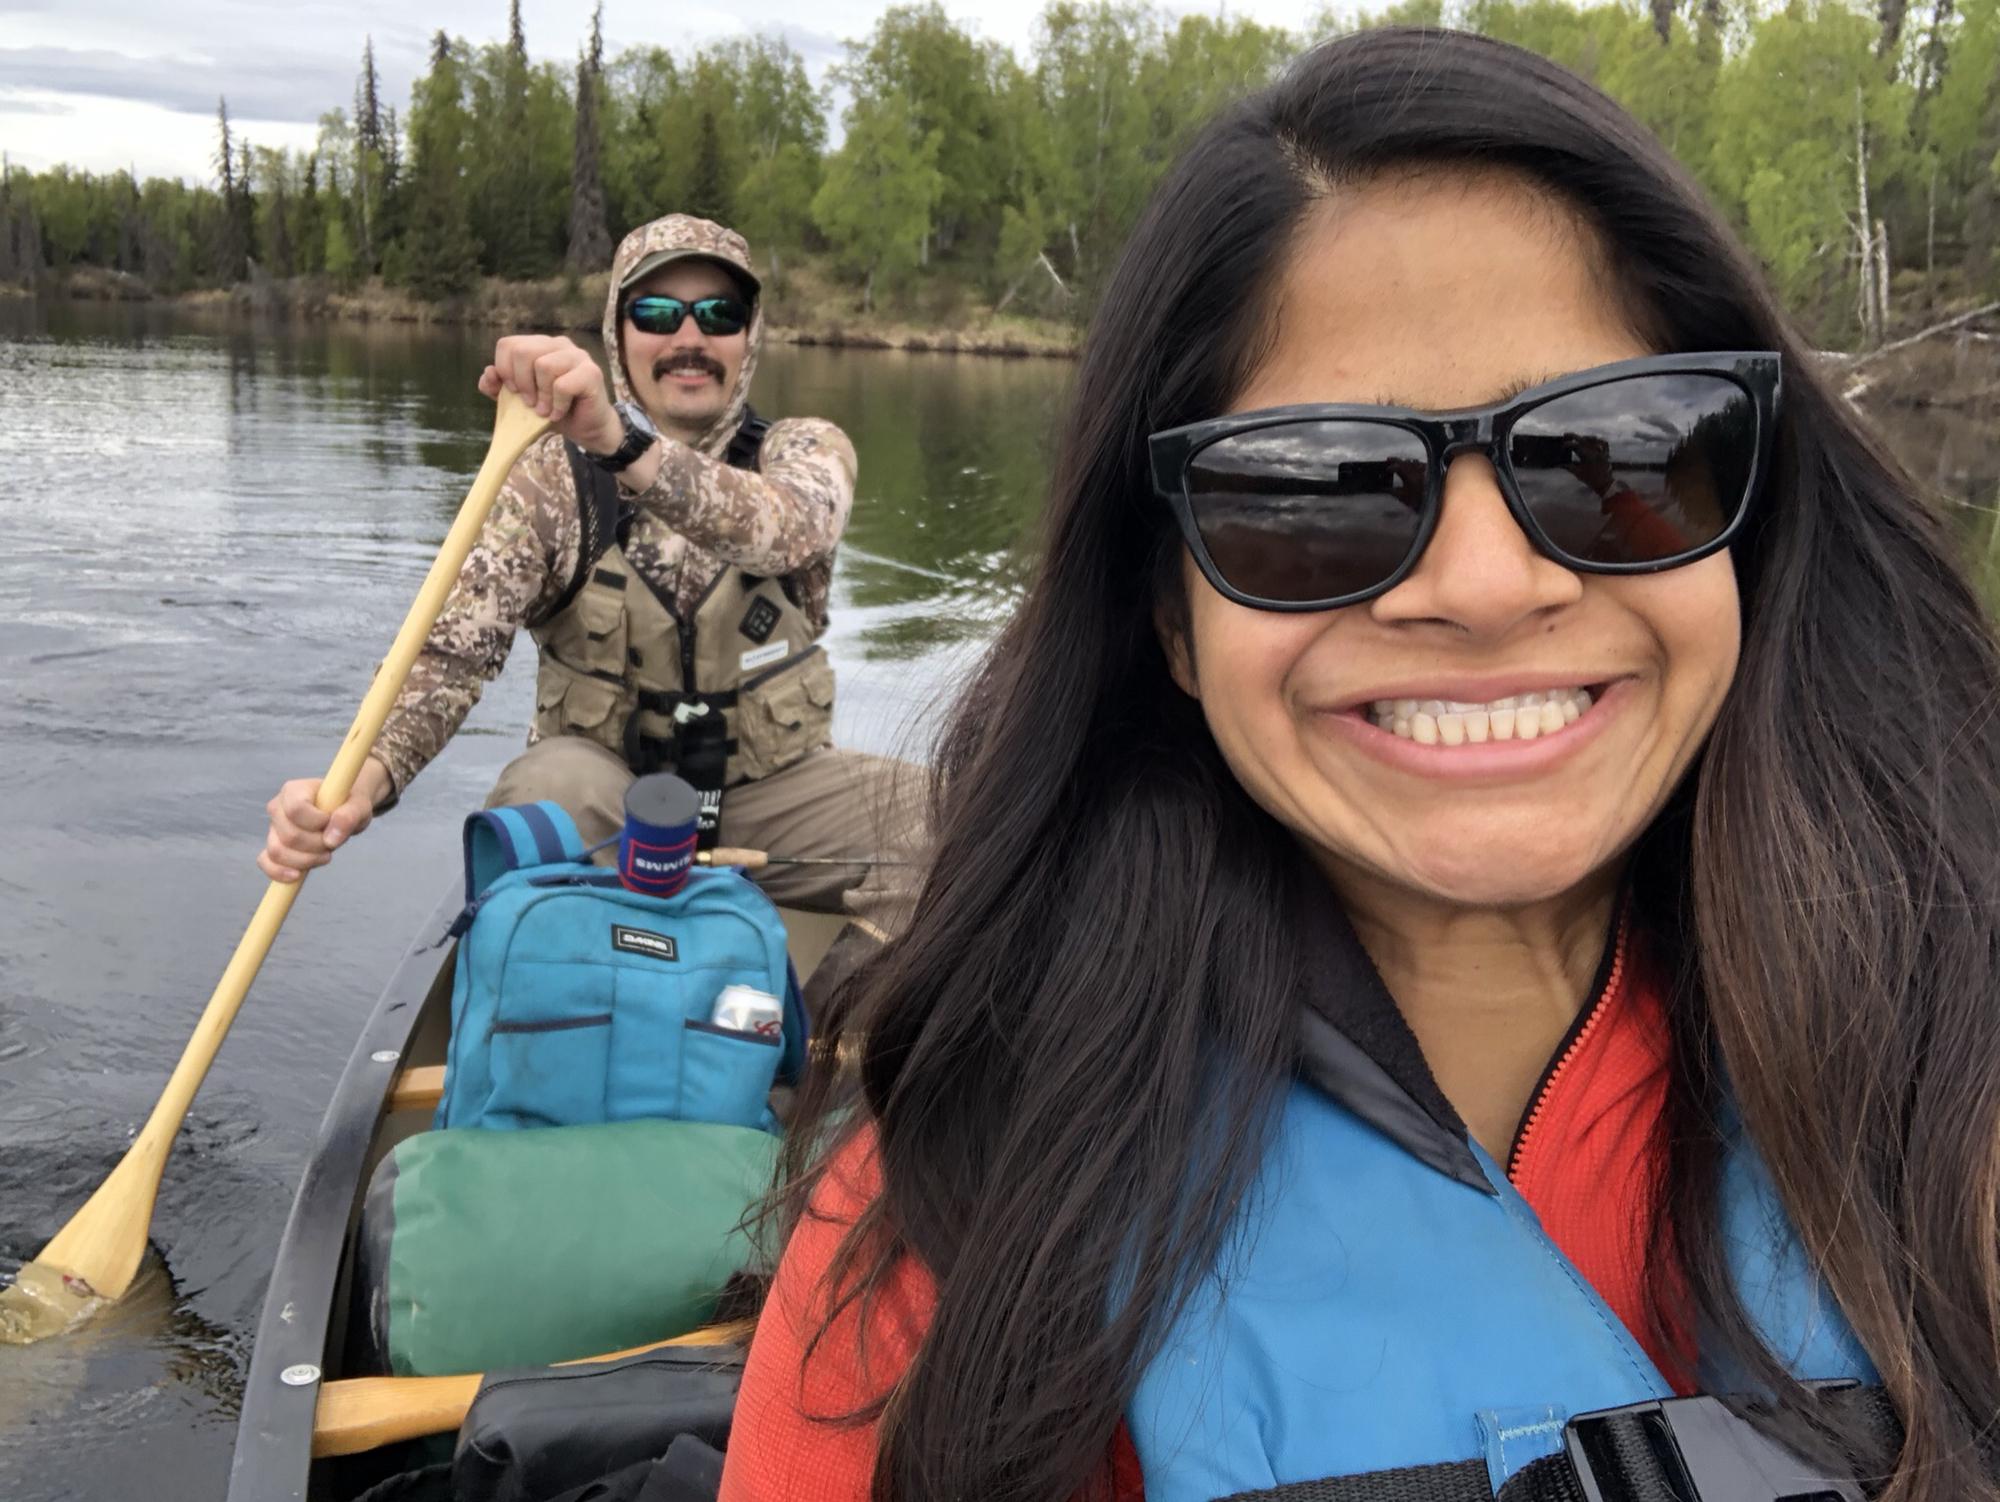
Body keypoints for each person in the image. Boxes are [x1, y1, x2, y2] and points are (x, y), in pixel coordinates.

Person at [719, 28, 2000, 1502]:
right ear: (1169, 618)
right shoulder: (957, 1220)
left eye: (1621, 456)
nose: (1484, 582)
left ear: (1753, 525)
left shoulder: (1955, 1069)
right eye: (1313, 488)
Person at [257, 214, 920, 955]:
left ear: (750, 336)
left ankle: (823, 1041)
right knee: (544, 797)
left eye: (720, 314)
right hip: (605, 803)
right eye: (658, 313)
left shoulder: (805, 451)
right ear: (619, 331)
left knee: (960, 825)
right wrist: (356, 787)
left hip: (774, 797)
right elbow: (451, 655)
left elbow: (787, 529)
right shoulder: (549, 476)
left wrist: (619, 439)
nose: (690, 338)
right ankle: (577, 1008)